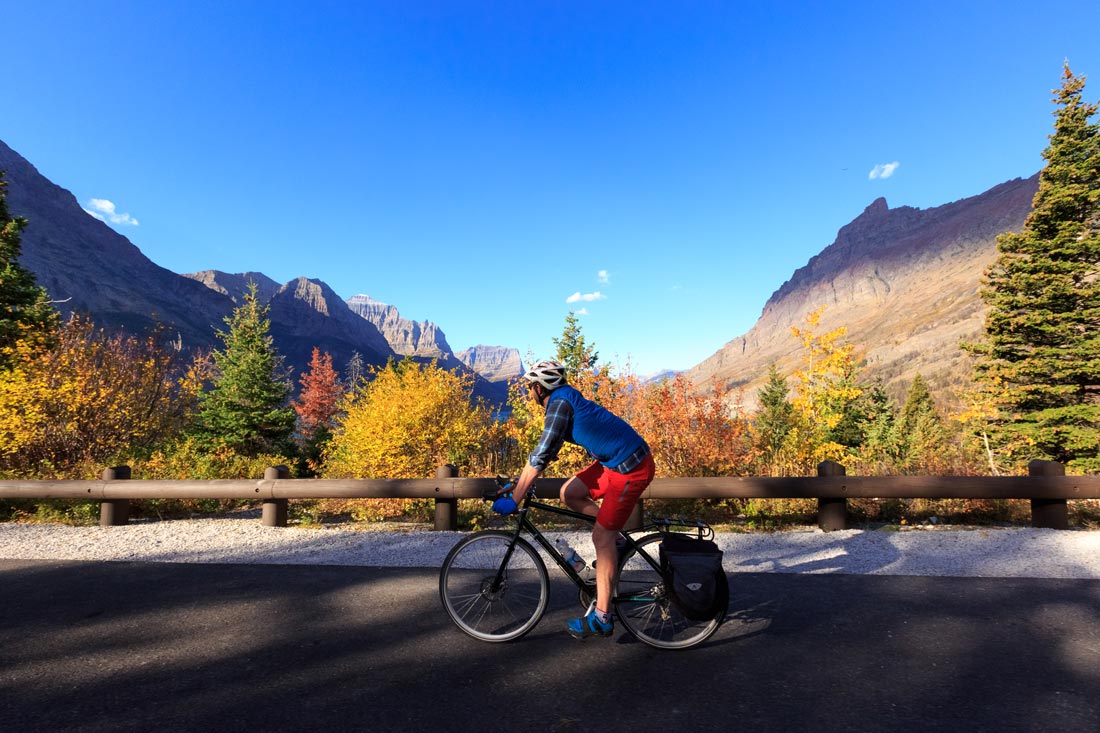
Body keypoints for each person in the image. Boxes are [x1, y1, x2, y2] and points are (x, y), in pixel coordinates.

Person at [510, 359, 655, 639]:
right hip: (613, 463)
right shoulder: (563, 400)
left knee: (601, 537)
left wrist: (515, 499)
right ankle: (619, 541)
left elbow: (541, 454)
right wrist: (519, 484)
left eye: (531, 386)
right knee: (570, 493)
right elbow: (547, 452)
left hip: (631, 467)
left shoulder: (560, 404)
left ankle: (602, 617)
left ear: (541, 388)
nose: (530, 391)